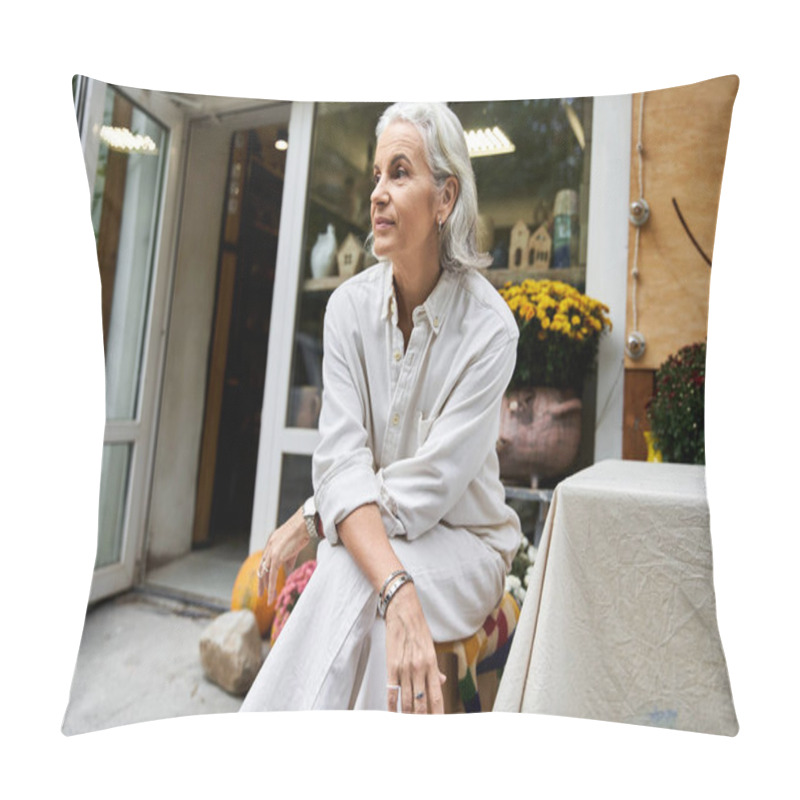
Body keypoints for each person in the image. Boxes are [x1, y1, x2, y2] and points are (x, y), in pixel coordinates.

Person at [239, 102, 521, 715]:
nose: (378, 195)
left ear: (445, 198)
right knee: (370, 598)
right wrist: (397, 587)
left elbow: (425, 489)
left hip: (468, 547)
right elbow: (341, 464)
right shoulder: (346, 310)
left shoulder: (491, 332)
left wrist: (318, 519)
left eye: (400, 172)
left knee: (348, 570)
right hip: (387, 539)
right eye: (376, 176)